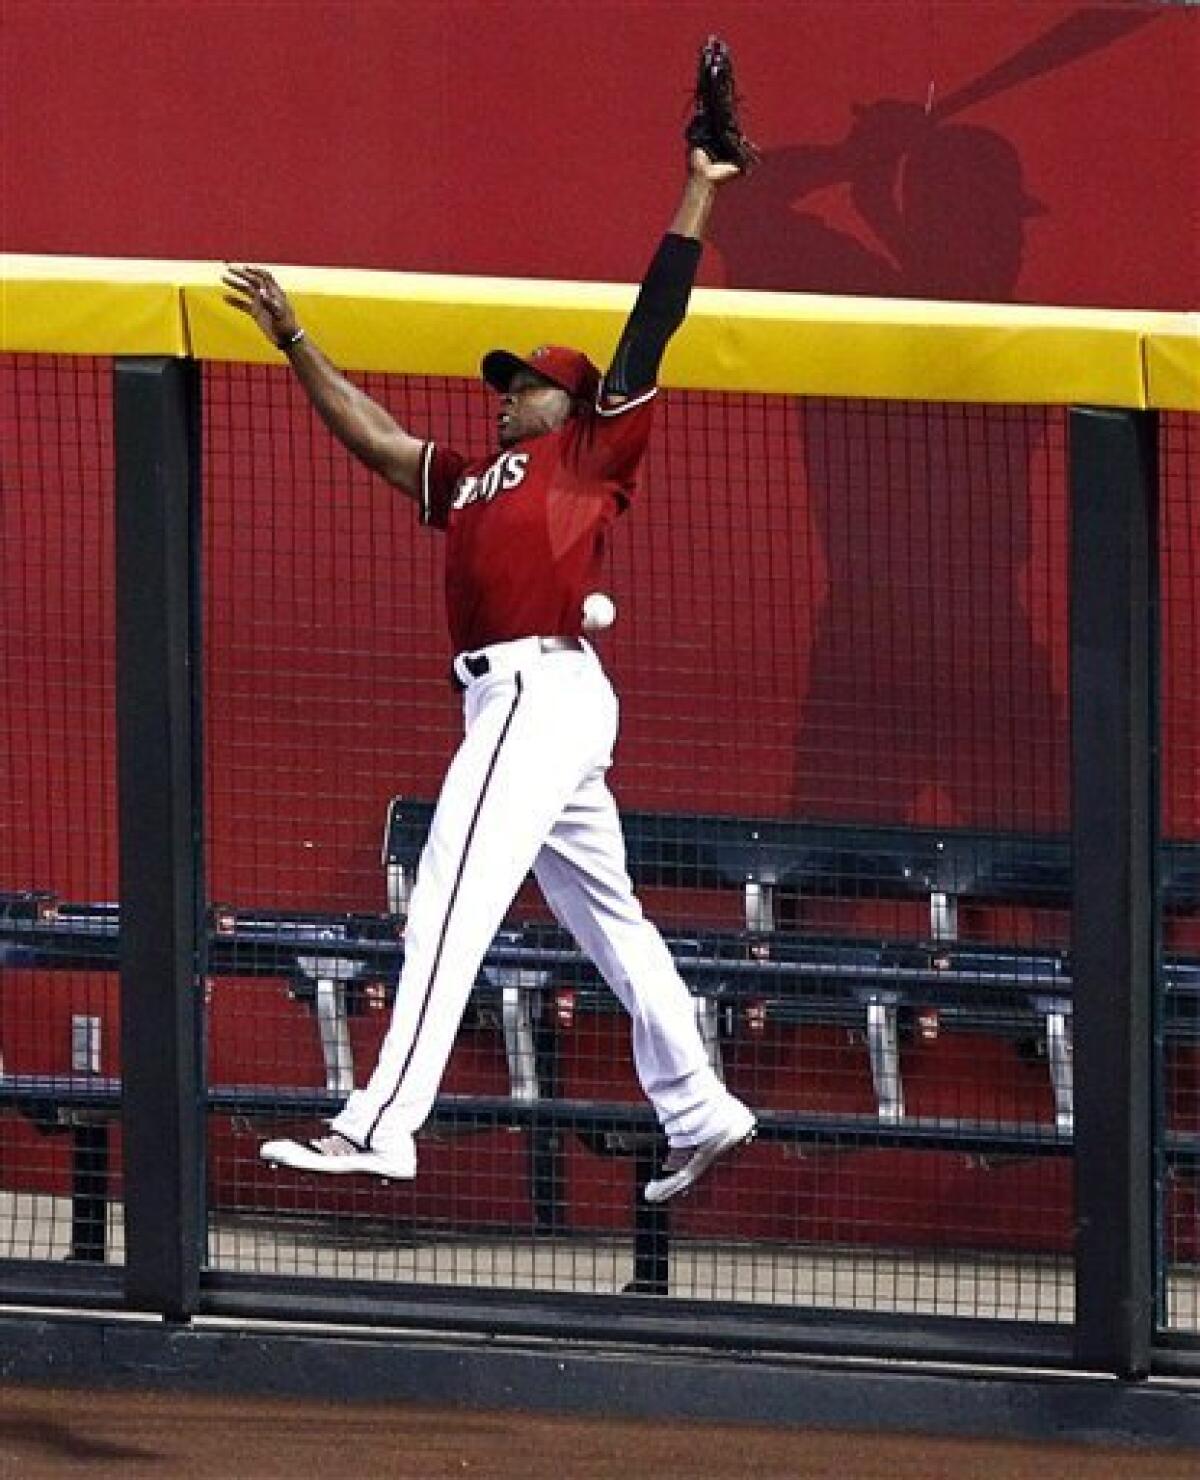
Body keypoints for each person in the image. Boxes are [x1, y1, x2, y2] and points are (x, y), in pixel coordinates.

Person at [222, 141, 756, 1205]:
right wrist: (294, 340)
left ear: (573, 404)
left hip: (535, 691)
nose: (506, 393)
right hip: (524, 702)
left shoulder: (591, 452)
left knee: (448, 904)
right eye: (505, 385)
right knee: (610, 918)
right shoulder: (473, 479)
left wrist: (699, 187)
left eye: (526, 385)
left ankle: (379, 1123)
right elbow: (377, 439)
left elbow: (653, 319)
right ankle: (699, 1102)